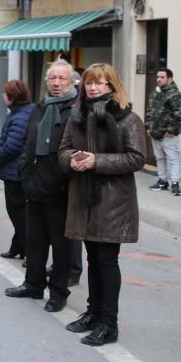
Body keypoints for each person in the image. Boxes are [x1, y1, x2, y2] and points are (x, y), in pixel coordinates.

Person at [58, 63, 145, 346]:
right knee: (92, 258)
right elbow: (63, 149)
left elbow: (136, 158)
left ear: (112, 85)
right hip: (84, 196)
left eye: (100, 83)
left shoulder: (128, 118)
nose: (93, 88)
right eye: (89, 82)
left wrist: (98, 160)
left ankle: (109, 322)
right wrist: (72, 158)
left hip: (113, 199)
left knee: (106, 261)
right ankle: (93, 313)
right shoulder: (77, 115)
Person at [5, 61, 80, 312]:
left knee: (61, 247)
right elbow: (28, 140)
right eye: (53, 78)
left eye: (62, 79)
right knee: (35, 240)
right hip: (35, 185)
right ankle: (33, 284)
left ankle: (58, 292)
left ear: (71, 83)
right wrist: (25, 171)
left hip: (61, 189)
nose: (57, 83)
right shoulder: (41, 106)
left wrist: (63, 178)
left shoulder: (77, 110)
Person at [0, 80, 34, 261]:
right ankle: (18, 247)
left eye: (6, 94)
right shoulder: (18, 113)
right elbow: (3, 139)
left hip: (17, 172)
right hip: (17, 171)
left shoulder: (21, 116)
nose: (3, 97)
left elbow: (12, 146)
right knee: (19, 213)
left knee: (18, 214)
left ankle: (29, 252)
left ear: (12, 97)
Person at [146, 68, 181, 196]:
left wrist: (171, 130)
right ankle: (162, 181)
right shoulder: (155, 93)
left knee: (173, 158)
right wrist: (148, 127)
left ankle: (175, 184)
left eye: (162, 77)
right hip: (155, 132)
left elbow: (178, 114)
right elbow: (149, 111)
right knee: (160, 158)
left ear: (169, 79)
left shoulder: (175, 94)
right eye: (158, 77)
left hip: (168, 134)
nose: (158, 79)